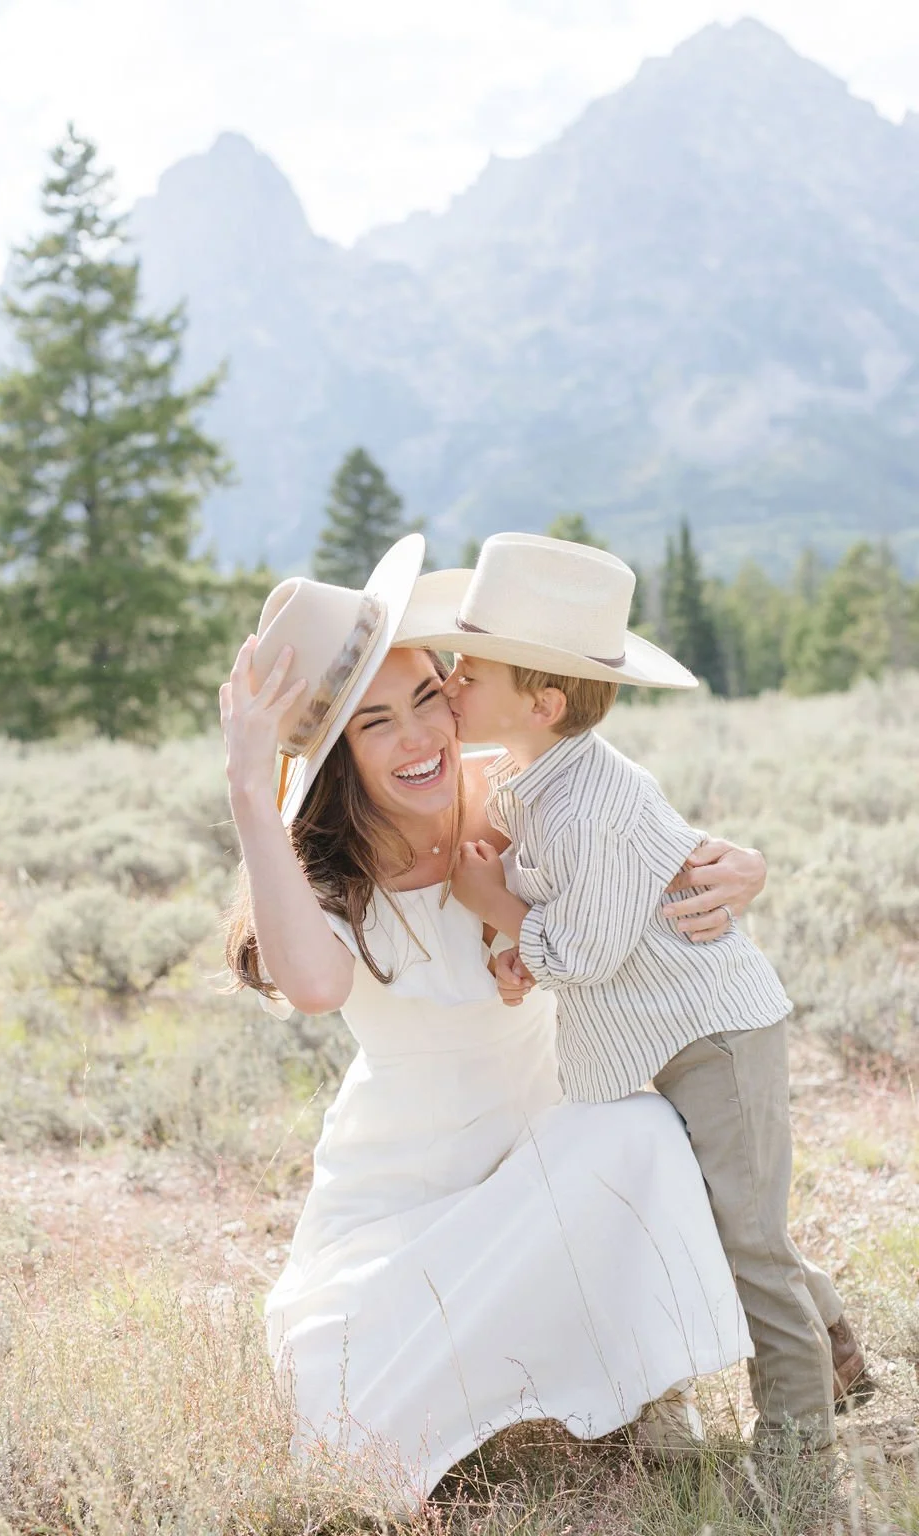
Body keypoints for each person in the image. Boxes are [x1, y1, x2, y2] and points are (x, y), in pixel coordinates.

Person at [220, 535, 769, 1505]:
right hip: (402, 1205)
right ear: (340, 757)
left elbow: (649, 835)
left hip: (543, 1164)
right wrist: (251, 794)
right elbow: (311, 986)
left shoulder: (523, 788)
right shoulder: (327, 877)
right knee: (339, 1424)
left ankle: (647, 1384)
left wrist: (746, 865)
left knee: (642, 1133)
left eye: (430, 696)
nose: (418, 738)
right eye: (374, 722)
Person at [394, 531, 874, 1455]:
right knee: (719, 1209)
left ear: (541, 700)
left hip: (716, 1035)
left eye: (468, 672)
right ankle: (838, 1348)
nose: (451, 685)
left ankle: (800, 1442)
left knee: (746, 1235)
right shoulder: (541, 779)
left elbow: (586, 950)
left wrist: (496, 904)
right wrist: (524, 939)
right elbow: (575, 914)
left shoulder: (595, 805)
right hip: (669, 1033)